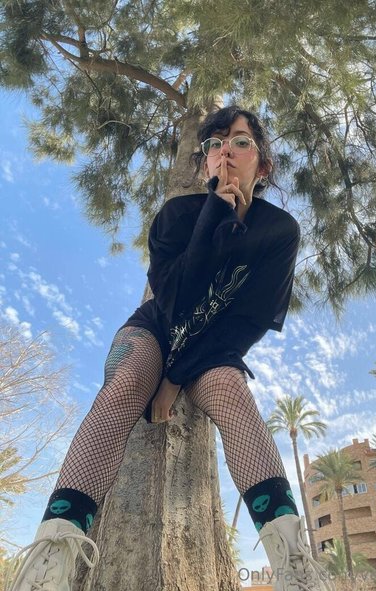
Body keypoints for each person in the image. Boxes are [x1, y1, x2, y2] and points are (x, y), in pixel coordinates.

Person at [6, 106, 334, 591]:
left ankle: (294, 565)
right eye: (215, 144)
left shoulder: (279, 231)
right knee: (125, 385)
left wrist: (175, 377)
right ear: (205, 164)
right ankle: (51, 557)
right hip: (152, 330)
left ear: (262, 165)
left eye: (240, 141)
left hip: (213, 349)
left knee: (232, 394)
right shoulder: (176, 216)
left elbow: (250, 321)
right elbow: (174, 300)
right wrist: (216, 214)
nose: (225, 151)